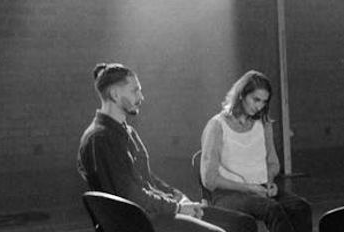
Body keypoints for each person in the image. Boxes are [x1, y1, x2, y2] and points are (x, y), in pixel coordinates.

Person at [78, 63, 255, 232]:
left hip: (156, 211)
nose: (141, 97)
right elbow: (131, 195)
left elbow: (147, 179)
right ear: (115, 94)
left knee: (243, 223)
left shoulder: (128, 132)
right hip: (142, 223)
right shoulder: (100, 138)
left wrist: (179, 197)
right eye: (135, 90)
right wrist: (177, 208)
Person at [200, 71, 312, 232]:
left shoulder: (264, 123)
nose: (259, 106)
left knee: (301, 207)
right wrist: (248, 188)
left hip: (260, 189)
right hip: (227, 194)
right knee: (272, 209)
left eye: (264, 102)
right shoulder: (217, 126)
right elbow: (209, 179)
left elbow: (273, 164)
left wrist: (270, 182)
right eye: (256, 100)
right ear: (241, 96)